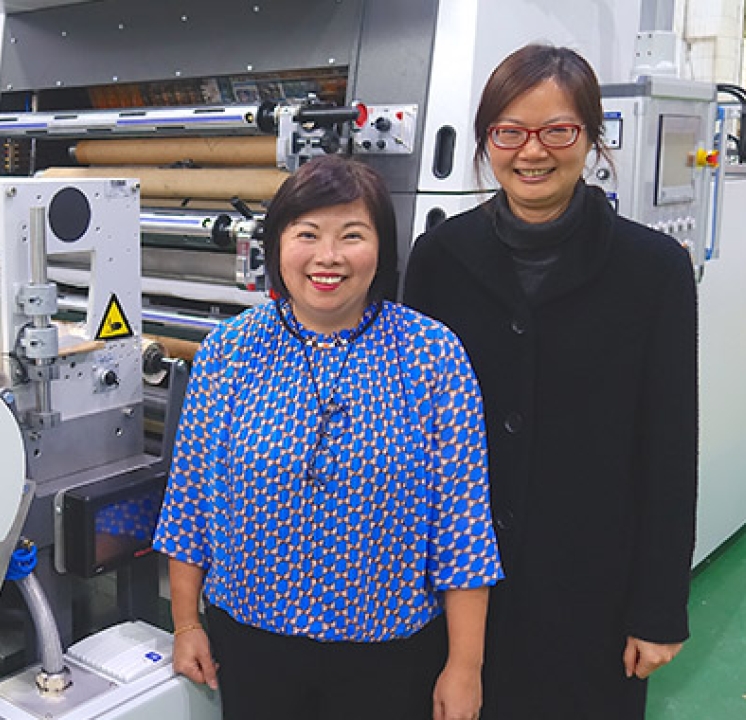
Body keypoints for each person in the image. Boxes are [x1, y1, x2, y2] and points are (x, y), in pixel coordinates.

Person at [403, 44, 699, 719]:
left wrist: (659, 607)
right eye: (508, 131)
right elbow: (411, 429)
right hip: (456, 589)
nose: (531, 152)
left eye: (558, 130)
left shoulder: (652, 270)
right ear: (487, 142)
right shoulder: (440, 259)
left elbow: (669, 448)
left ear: (592, 138)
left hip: (590, 585)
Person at [153, 154, 502, 720]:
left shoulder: (432, 355)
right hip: (251, 643)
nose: (328, 257)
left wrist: (465, 666)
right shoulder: (231, 353)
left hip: (388, 652)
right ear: (278, 244)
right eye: (307, 234)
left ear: (382, 249)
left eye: (352, 235)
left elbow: (463, 527)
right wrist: (187, 623)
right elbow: (189, 500)